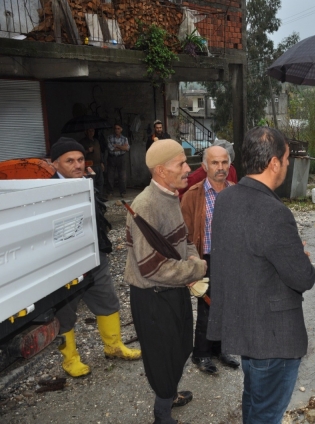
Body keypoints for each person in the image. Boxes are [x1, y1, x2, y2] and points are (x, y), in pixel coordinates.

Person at [207, 127, 315, 423]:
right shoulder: (273, 212)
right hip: (273, 337)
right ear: (274, 163)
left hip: (245, 328)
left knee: (254, 402)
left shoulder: (227, 199)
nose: (289, 164)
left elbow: (245, 256)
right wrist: (300, 256)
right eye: (287, 158)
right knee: (266, 413)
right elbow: (303, 278)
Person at [124, 138, 208, 424]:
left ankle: (169, 394)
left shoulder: (172, 195)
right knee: (161, 358)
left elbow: (183, 240)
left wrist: (194, 260)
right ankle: (162, 414)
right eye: (181, 164)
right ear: (161, 171)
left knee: (182, 346)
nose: (188, 168)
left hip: (173, 291)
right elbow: (151, 268)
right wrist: (196, 271)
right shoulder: (146, 205)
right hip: (153, 297)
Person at [49, 138, 141, 378]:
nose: (77, 165)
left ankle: (114, 346)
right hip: (64, 263)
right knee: (65, 311)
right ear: (55, 164)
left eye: (80, 159)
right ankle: (70, 359)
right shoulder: (45, 192)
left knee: (108, 299)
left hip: (94, 254)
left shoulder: (88, 183)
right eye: (70, 161)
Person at [180, 146, 239, 374]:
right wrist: (190, 263)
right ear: (204, 166)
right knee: (206, 309)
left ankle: (221, 349)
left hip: (230, 260)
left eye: (224, 162)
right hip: (204, 259)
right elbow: (183, 234)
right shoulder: (193, 195)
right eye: (215, 163)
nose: (221, 168)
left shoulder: (235, 192)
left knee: (227, 306)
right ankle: (202, 353)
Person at [79, 128, 105, 198]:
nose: (91, 132)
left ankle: (100, 197)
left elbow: (99, 152)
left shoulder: (96, 141)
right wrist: (87, 151)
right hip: (90, 166)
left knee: (100, 182)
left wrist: (102, 162)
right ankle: (94, 198)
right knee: (92, 182)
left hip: (98, 165)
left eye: (93, 131)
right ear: (86, 132)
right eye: (90, 131)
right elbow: (80, 154)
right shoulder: (83, 142)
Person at [107, 123, 130, 198]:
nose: (117, 130)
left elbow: (127, 149)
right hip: (112, 158)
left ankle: (123, 192)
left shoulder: (124, 138)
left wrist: (117, 146)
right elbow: (111, 149)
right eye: (115, 128)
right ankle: (110, 192)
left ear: (121, 129)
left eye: (118, 128)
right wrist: (122, 147)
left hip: (121, 157)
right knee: (110, 175)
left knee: (122, 175)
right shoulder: (109, 138)